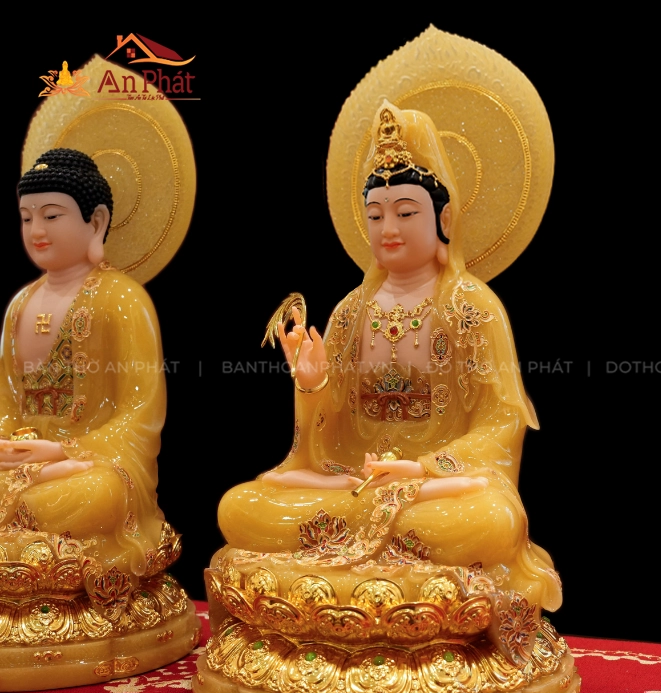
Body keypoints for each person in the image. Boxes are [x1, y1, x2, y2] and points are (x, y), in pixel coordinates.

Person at [215, 105, 562, 649]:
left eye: (405, 212)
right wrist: (311, 385)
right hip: (353, 484)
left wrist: (420, 469)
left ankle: (372, 550)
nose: (389, 229)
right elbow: (325, 437)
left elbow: (501, 423)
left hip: (435, 494)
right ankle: (378, 547)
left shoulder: (472, 308)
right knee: (241, 507)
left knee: (488, 521)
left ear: (443, 219)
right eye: (375, 215)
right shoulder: (350, 312)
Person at [0, 148, 179, 626]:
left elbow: (142, 413)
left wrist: (62, 452)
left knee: (95, 495)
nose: (36, 231)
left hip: (87, 468)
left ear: (95, 221)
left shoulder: (123, 300)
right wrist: (9, 446)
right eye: (26, 217)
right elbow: (7, 401)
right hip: (23, 464)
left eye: (51, 215)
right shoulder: (19, 306)